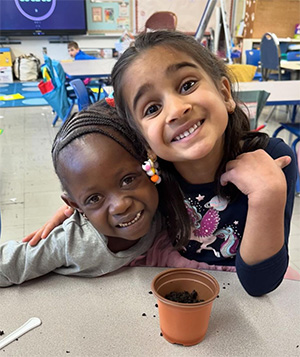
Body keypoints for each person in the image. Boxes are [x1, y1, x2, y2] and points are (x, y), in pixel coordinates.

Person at [110, 30, 297, 296]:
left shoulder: (272, 160)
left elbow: (260, 286)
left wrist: (268, 195)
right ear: (144, 140)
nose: (176, 110)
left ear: (224, 93)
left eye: (187, 85)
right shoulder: (148, 173)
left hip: (243, 288)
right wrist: (88, 205)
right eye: (152, 108)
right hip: (173, 278)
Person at [0, 99, 192, 287]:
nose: (120, 205)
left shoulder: (165, 202)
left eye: (128, 180)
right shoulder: (73, 242)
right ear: (75, 206)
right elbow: (9, 265)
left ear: (149, 166)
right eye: (94, 198)